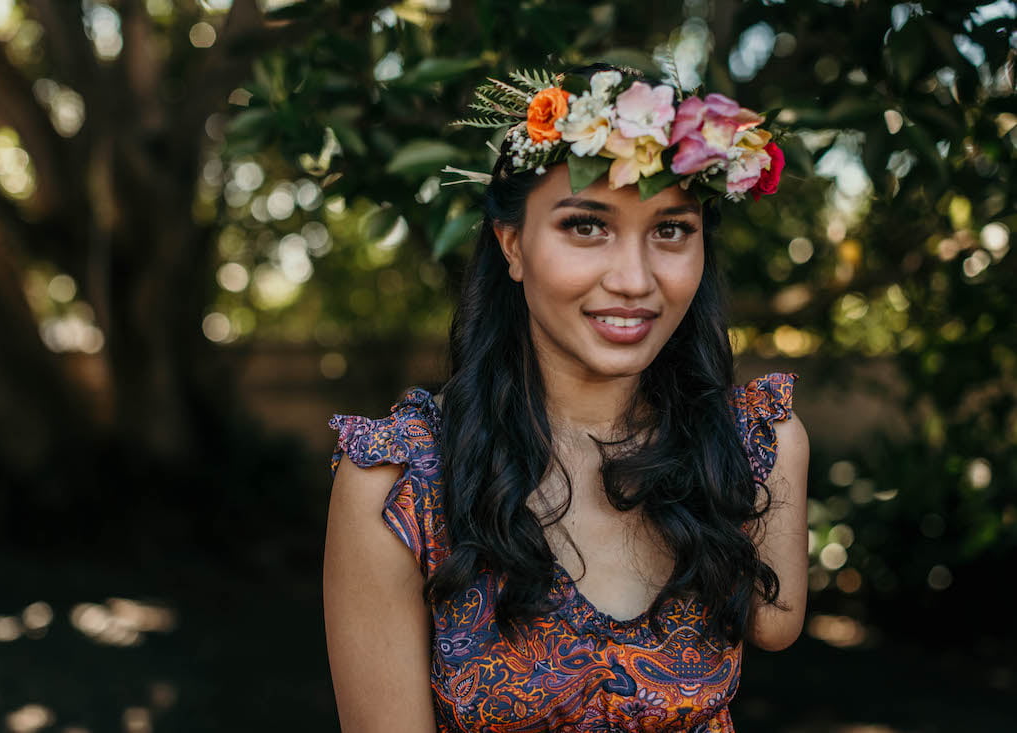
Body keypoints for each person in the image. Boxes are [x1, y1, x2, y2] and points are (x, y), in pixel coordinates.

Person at [323, 62, 809, 732]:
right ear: (512, 243)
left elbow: (774, 623)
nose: (635, 279)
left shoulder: (756, 447)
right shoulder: (401, 483)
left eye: (671, 229)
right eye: (588, 225)